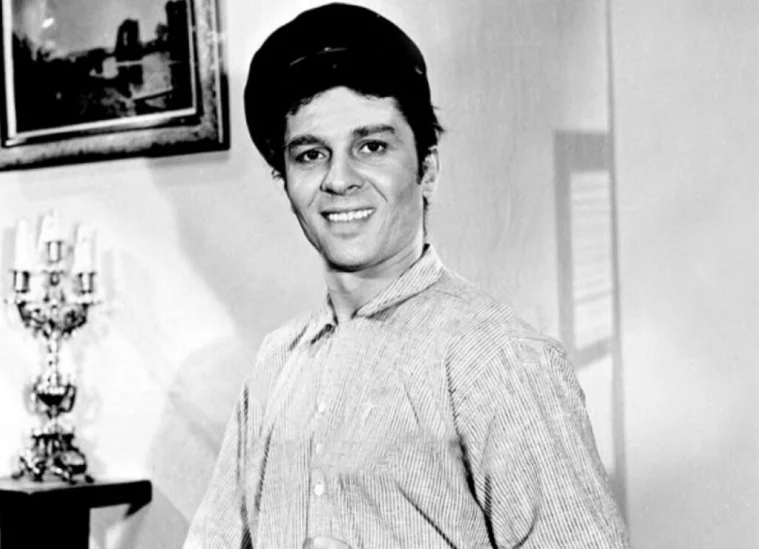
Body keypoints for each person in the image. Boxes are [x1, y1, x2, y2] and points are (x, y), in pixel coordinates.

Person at [184, 3, 630, 548]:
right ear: (286, 182)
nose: (339, 179)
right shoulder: (275, 365)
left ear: (428, 169)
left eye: (371, 147)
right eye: (311, 154)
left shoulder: (498, 359)